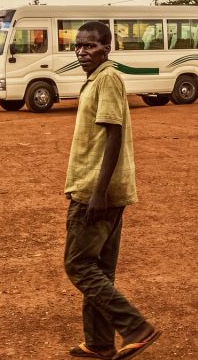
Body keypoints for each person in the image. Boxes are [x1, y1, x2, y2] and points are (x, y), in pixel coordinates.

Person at [63, 21, 160, 360]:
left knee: (78, 265)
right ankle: (99, 343)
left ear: (107, 48)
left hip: (94, 189)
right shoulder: (98, 80)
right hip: (100, 188)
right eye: (78, 46)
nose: (82, 51)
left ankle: (135, 327)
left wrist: (98, 192)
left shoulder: (106, 78)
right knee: (99, 268)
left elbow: (114, 134)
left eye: (90, 46)